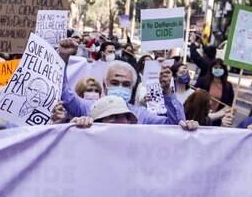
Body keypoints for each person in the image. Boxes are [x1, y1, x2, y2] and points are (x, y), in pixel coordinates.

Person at [56, 38, 186, 125]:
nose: (120, 87)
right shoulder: (90, 108)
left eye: (126, 84)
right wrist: (62, 59)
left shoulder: (142, 116)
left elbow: (174, 126)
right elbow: (65, 94)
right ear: (105, 86)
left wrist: (167, 91)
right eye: (114, 83)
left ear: (132, 88)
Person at [69, 95, 200, 131]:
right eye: (114, 116)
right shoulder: (85, 135)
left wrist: (187, 130)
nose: (123, 121)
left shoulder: (139, 148)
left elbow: (173, 127)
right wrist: (73, 131)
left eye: (126, 116)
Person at [195, 58, 234, 126]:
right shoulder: (202, 81)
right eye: (216, 67)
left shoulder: (228, 86)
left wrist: (226, 111)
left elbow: (229, 103)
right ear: (211, 68)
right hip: (201, 117)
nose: (218, 69)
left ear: (224, 70)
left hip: (218, 120)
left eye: (220, 68)